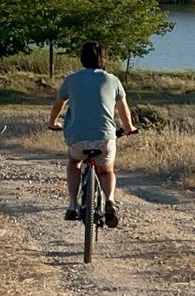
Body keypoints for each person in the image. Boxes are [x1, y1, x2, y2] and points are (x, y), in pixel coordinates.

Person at [47, 40, 138, 227]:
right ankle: (110, 201)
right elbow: (124, 111)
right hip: (104, 138)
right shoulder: (113, 80)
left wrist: (53, 122)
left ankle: (72, 205)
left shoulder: (71, 80)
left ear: (82, 58)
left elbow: (59, 103)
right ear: (104, 59)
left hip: (77, 137)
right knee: (106, 170)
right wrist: (129, 128)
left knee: (75, 163)